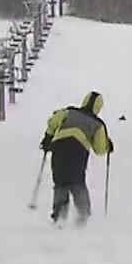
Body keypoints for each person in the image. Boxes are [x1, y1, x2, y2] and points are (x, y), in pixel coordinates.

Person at [39, 91, 113, 227]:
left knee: (60, 181)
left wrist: (48, 137)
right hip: (78, 151)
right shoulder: (98, 125)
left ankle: (60, 215)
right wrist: (108, 145)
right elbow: (100, 149)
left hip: (59, 147)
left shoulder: (68, 112)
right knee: (77, 182)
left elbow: (53, 121)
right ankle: (83, 216)